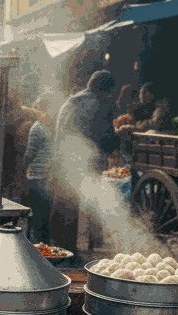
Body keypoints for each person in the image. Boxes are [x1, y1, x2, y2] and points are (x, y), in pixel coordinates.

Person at [52, 70, 118, 254]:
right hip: (81, 162)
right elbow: (105, 136)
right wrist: (118, 140)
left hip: (61, 160)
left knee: (64, 207)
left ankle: (61, 250)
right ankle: (68, 252)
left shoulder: (72, 100)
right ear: (106, 90)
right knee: (73, 207)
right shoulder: (99, 103)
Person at [24, 109, 53, 244]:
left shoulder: (37, 128)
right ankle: (42, 248)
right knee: (42, 219)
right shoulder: (47, 128)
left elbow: (30, 154)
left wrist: (22, 172)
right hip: (43, 178)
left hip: (37, 178)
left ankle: (39, 249)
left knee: (38, 219)